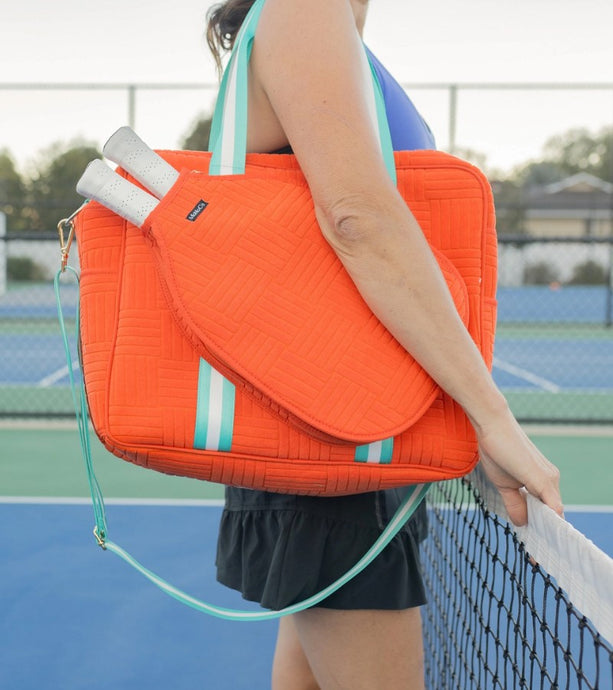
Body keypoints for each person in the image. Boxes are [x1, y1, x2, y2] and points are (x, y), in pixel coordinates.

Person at [206, 1, 564, 688]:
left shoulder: (326, 24)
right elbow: (355, 218)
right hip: (334, 436)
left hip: (350, 431)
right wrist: (488, 416)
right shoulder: (303, 9)